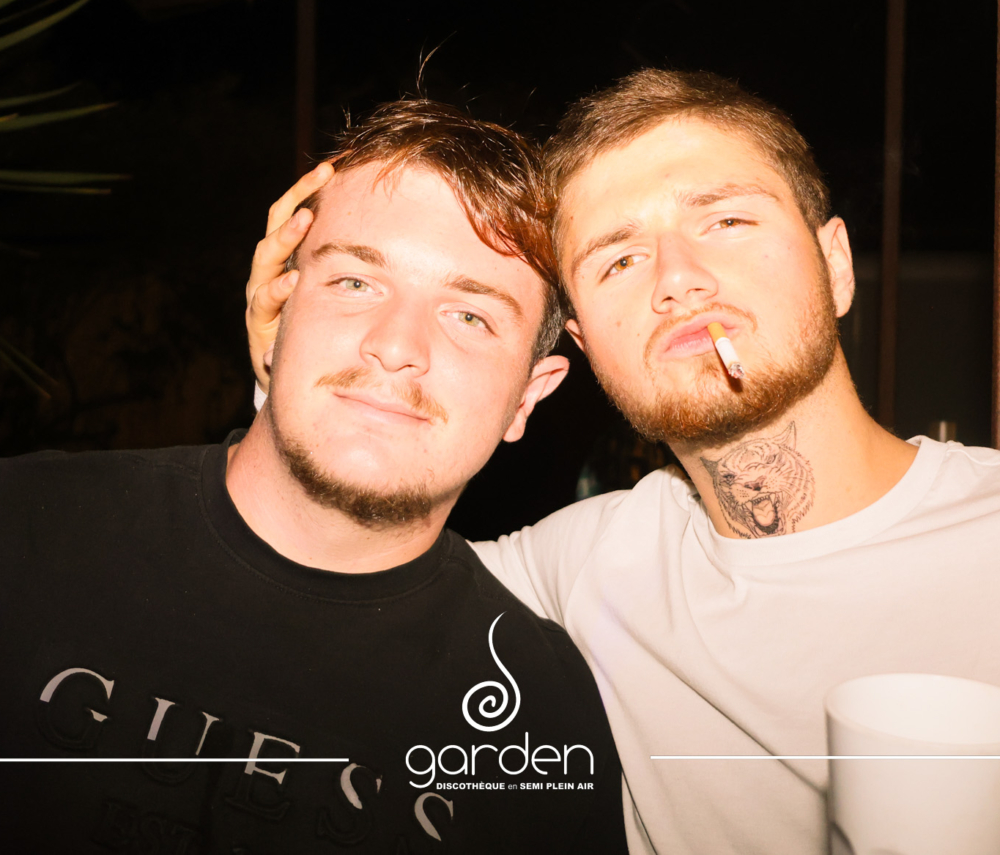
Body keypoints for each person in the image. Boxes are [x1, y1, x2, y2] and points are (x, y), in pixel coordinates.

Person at [246, 70, 1000, 855]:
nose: (678, 280)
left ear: (835, 263)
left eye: (726, 220)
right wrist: (289, 368)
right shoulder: (584, 571)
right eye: (619, 261)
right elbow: (330, 576)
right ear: (584, 346)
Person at [0, 100, 629, 854]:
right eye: (356, 282)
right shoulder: (23, 529)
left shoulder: (539, 718)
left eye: (470, 316)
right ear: (276, 309)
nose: (396, 345)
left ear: (527, 396)